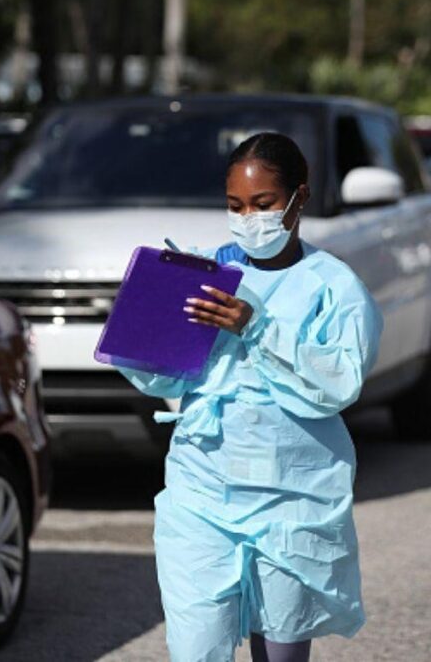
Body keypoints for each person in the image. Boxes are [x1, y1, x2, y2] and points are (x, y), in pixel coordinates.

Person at [114, 132, 382, 662]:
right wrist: (144, 320)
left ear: (299, 199)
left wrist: (256, 326)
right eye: (235, 206)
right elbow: (164, 377)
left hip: (292, 497)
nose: (248, 219)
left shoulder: (334, 288)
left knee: (279, 649)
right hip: (201, 490)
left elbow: (339, 386)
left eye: (262, 205)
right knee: (196, 647)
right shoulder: (209, 275)